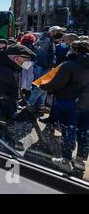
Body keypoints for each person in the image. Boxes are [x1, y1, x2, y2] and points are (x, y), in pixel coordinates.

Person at [40, 41, 89, 172]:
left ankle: (66, 161)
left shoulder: (69, 65)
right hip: (87, 105)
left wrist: (42, 85)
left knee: (68, 131)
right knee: (84, 133)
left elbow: (57, 84)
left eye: (70, 48)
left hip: (69, 103)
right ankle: (80, 161)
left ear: (75, 50)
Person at [0, 44, 35, 149]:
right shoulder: (6, 72)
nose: (28, 61)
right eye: (26, 58)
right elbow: (5, 96)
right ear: (16, 58)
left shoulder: (7, 66)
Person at [27, 26, 65, 113]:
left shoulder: (47, 38)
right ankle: (31, 103)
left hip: (43, 65)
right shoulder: (46, 39)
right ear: (52, 31)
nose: (59, 33)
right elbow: (41, 54)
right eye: (57, 31)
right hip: (43, 66)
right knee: (41, 86)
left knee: (44, 86)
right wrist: (47, 65)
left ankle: (41, 105)